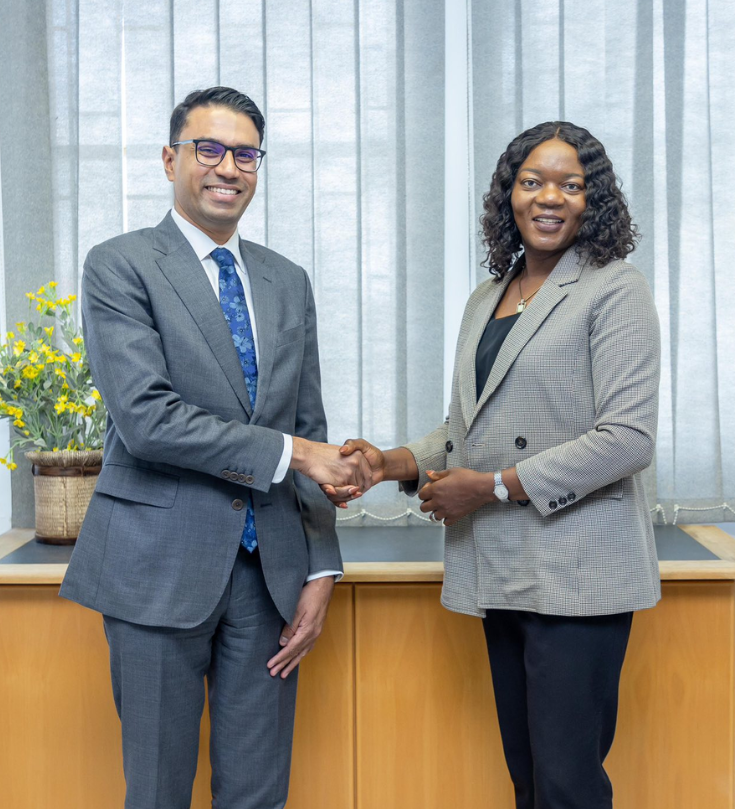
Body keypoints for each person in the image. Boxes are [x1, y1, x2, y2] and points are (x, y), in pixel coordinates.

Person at [329, 121, 661, 809]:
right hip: (503, 567)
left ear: (593, 200)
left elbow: (627, 438)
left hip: (578, 573)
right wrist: (388, 462)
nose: (550, 197)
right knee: (528, 775)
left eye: (571, 185)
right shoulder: (490, 296)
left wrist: (492, 487)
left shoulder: (615, 289)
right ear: (509, 193)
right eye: (533, 181)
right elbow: (470, 428)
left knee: (567, 783)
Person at [60, 86, 372, 809]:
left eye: (246, 154)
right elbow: (148, 420)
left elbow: (309, 423)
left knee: (258, 795)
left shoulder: (287, 281)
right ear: (170, 159)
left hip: (270, 579)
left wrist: (321, 567)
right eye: (209, 149)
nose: (228, 167)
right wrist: (297, 453)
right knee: (158, 791)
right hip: (156, 568)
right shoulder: (120, 266)